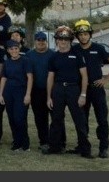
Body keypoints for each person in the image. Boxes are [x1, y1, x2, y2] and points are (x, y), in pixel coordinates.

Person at [72, 19, 109, 158]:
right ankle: (82, 145)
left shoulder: (99, 48)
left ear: (90, 34)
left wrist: (106, 79)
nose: (83, 37)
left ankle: (103, 147)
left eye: (86, 34)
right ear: (77, 36)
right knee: (82, 119)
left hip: (96, 88)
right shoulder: (74, 49)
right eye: (80, 34)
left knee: (102, 119)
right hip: (81, 90)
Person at [42, 26, 92, 159]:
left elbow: (85, 76)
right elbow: (50, 77)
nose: (63, 42)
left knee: (79, 120)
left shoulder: (77, 55)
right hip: (58, 89)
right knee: (56, 119)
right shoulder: (53, 57)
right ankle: (55, 147)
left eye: (65, 39)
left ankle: (85, 150)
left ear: (70, 40)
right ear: (56, 41)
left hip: (73, 89)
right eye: (60, 39)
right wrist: (49, 97)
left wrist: (83, 94)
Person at [0, 40, 33, 151]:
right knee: (12, 118)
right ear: (8, 51)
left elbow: (30, 78)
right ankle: (17, 142)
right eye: (11, 49)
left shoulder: (25, 61)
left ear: (19, 49)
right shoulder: (7, 62)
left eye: (16, 48)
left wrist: (28, 94)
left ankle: (25, 143)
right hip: (8, 91)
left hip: (21, 91)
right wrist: (1, 94)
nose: (14, 51)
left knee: (20, 118)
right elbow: (3, 78)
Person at [28, 30, 56, 152]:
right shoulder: (29, 55)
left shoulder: (53, 54)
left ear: (46, 41)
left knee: (56, 116)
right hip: (36, 91)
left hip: (53, 91)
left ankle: (58, 141)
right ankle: (44, 141)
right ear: (35, 41)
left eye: (43, 40)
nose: (41, 42)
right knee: (40, 118)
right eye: (38, 40)